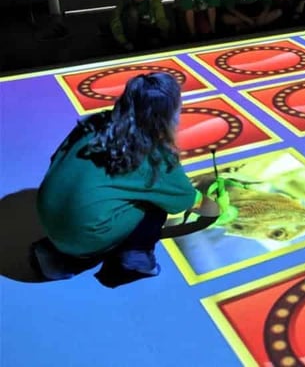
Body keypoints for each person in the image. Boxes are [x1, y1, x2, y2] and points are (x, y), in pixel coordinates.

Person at [32, 73, 204, 288]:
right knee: (156, 206)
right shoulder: (154, 154)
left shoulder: (95, 122)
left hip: (45, 215)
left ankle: (56, 257)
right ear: (168, 114)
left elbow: (55, 159)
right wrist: (216, 206)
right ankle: (135, 258)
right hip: (84, 236)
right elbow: (185, 201)